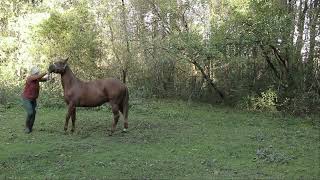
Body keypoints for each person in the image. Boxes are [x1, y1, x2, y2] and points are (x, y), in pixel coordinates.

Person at [21, 66, 50, 133]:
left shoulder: (37, 79)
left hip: (33, 99)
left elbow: (44, 79)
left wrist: (48, 76)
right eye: (37, 73)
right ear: (33, 73)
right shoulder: (30, 78)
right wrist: (46, 71)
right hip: (26, 99)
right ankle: (26, 127)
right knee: (30, 112)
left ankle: (30, 128)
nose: (38, 74)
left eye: (38, 73)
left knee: (34, 113)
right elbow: (38, 77)